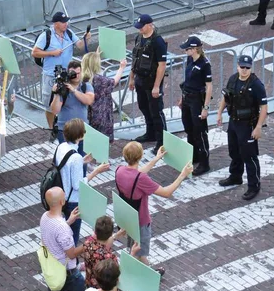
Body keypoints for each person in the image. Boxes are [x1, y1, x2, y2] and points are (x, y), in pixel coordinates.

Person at [115, 141, 193, 275]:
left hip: (128, 218)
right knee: (139, 250)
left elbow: (136, 173)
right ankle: (138, 277)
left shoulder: (120, 170)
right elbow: (167, 192)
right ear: (140, 157)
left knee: (137, 249)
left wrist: (156, 159)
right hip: (141, 220)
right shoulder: (141, 179)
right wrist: (183, 174)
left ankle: (149, 272)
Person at [217, 54, 268, 200]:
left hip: (248, 124)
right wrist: (220, 113)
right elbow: (226, 97)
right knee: (234, 151)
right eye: (242, 67)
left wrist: (258, 127)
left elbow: (264, 107)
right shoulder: (233, 79)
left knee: (249, 156)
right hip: (234, 121)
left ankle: (254, 185)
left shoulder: (256, 85)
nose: (244, 70)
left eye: (247, 68)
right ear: (237, 66)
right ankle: (235, 176)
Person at [31, 11, 90, 135]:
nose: (66, 24)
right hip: (51, 75)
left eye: (66, 22)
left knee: (67, 100)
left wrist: (85, 40)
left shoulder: (68, 33)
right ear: (56, 24)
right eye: (63, 22)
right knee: (49, 103)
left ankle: (66, 126)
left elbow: (80, 46)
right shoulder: (46, 35)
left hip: (67, 75)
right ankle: (52, 128)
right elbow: (35, 52)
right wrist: (52, 53)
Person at [40, 186, 86, 291]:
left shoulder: (45, 217)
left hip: (53, 269)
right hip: (68, 273)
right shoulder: (62, 228)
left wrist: (68, 222)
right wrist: (89, 244)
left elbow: (56, 233)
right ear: (61, 201)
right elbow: (72, 253)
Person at [54, 119, 110, 245]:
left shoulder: (62, 147)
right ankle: (71, 262)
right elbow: (78, 185)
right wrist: (96, 171)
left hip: (62, 192)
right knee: (72, 235)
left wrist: (83, 161)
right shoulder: (76, 158)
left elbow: (66, 165)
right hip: (73, 200)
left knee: (64, 230)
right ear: (80, 136)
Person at [129, 14, 168, 154]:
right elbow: (135, 59)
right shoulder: (139, 38)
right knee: (144, 107)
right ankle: (150, 133)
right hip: (140, 80)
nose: (139, 29)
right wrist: (132, 78)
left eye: (141, 26)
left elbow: (162, 65)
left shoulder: (158, 41)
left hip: (152, 82)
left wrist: (157, 86)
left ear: (149, 25)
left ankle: (162, 141)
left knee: (156, 112)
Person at [178, 36, 212, 176]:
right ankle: (195, 155)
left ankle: (205, 163)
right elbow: (187, 81)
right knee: (189, 128)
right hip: (187, 98)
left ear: (195, 49)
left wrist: (205, 108)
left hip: (197, 100)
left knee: (200, 131)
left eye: (188, 48)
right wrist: (182, 99)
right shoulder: (189, 59)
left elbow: (209, 87)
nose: (185, 50)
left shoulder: (205, 64)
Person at [83, 216, 139, 289]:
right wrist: (132, 254)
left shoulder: (87, 243)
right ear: (110, 233)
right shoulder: (109, 258)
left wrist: (116, 236)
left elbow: (101, 245)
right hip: (105, 290)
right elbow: (119, 273)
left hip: (90, 283)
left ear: (95, 231)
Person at [81, 51, 126, 141]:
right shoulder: (98, 79)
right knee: (101, 140)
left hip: (85, 113)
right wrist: (121, 67)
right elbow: (114, 82)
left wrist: (96, 55)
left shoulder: (81, 77)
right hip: (100, 113)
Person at [50, 60, 94, 151]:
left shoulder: (86, 86)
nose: (77, 76)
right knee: (67, 158)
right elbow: (55, 110)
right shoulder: (63, 87)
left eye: (79, 73)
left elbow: (89, 100)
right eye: (74, 74)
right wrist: (57, 93)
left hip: (82, 129)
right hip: (65, 130)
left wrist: (74, 91)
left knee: (82, 160)